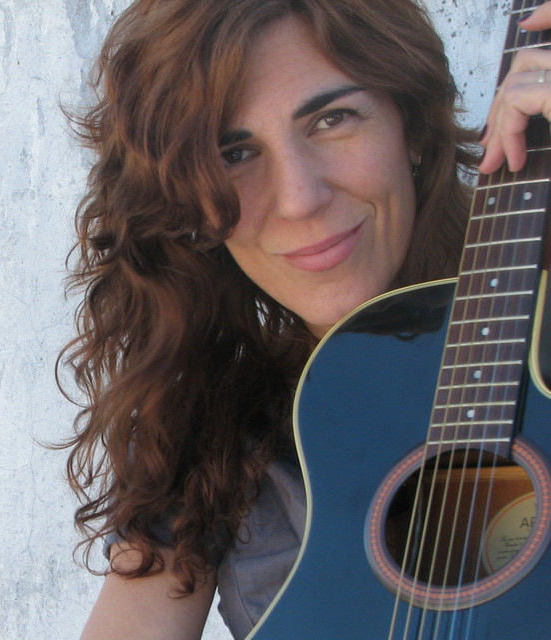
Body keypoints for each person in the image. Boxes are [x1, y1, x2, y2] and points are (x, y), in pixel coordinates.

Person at [58, 0, 551, 638]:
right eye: (235, 152)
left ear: (412, 125)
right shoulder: (213, 426)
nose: (299, 199)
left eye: (331, 118)